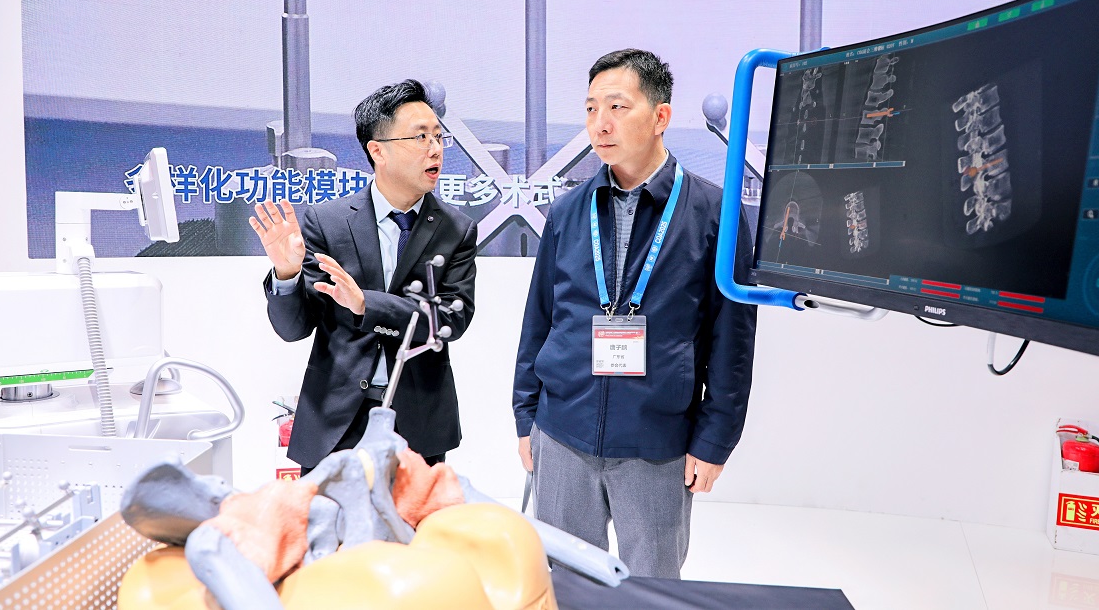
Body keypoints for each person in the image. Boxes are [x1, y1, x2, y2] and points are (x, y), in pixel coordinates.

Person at [511, 49, 757, 578]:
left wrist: (715, 439)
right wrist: (526, 415)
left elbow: (732, 341)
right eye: (591, 108)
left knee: (652, 585)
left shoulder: (715, 214)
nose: (600, 123)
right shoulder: (567, 211)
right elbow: (540, 321)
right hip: (562, 431)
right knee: (566, 584)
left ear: (660, 116)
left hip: (658, 440)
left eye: (617, 107)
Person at [252, 78, 478, 472]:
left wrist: (364, 304)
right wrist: (286, 273)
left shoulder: (455, 229)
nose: (435, 148)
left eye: (439, 137)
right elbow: (293, 329)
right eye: (420, 137)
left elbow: (449, 321)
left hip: (418, 424)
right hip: (334, 422)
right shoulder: (328, 222)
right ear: (378, 151)